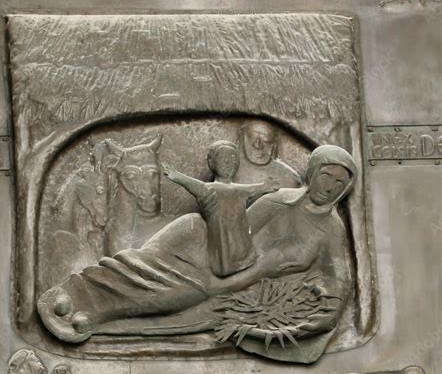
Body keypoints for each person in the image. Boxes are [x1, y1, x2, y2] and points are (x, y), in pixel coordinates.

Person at [38, 144, 357, 345]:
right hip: (203, 244)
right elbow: (237, 231)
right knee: (150, 275)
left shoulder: (331, 231)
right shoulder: (279, 202)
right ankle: (73, 296)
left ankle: (92, 314)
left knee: (176, 294)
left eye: (339, 183)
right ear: (313, 173)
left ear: (345, 189)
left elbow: (339, 281)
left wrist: (322, 311)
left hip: (226, 280)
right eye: (326, 176)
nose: (330, 187)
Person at [162, 141, 278, 277]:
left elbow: (254, 189)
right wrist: (176, 175)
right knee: (224, 251)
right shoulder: (209, 190)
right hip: (221, 244)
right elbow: (194, 185)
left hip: (241, 241)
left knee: (240, 249)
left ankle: (243, 263)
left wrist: (265, 186)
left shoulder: (238, 190)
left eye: (233, 159)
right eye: (224, 159)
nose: (229, 163)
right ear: (212, 163)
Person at [235, 120, 302, 189]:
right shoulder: (227, 168)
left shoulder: (289, 178)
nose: (257, 145)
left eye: (266, 139)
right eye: (252, 136)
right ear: (241, 135)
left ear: (275, 142)